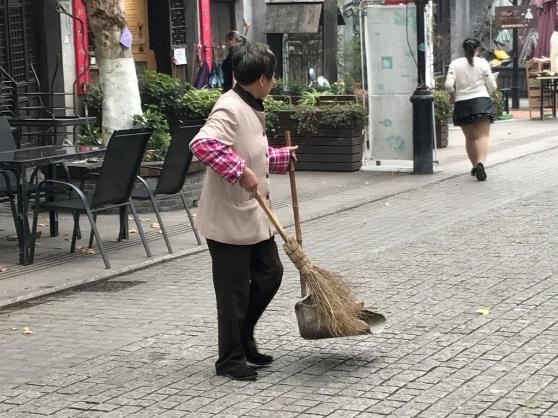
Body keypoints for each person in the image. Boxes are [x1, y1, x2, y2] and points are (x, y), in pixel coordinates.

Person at [189, 42, 298, 381]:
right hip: (227, 220)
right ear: (263, 79)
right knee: (233, 292)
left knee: (270, 274)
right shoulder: (230, 107)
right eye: (274, 76)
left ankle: (244, 335)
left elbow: (251, 153)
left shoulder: (250, 104)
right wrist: (240, 171)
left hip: (253, 215)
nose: (275, 82)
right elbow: (202, 145)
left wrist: (281, 157)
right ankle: (230, 360)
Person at [445, 38, 497, 181]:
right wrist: (490, 93)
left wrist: (452, 95)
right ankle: (480, 163)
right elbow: (492, 86)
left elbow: (448, 85)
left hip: (462, 103)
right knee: (483, 136)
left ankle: (474, 164)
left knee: (470, 138)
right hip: (481, 101)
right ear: (478, 49)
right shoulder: (483, 63)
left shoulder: (455, 64)